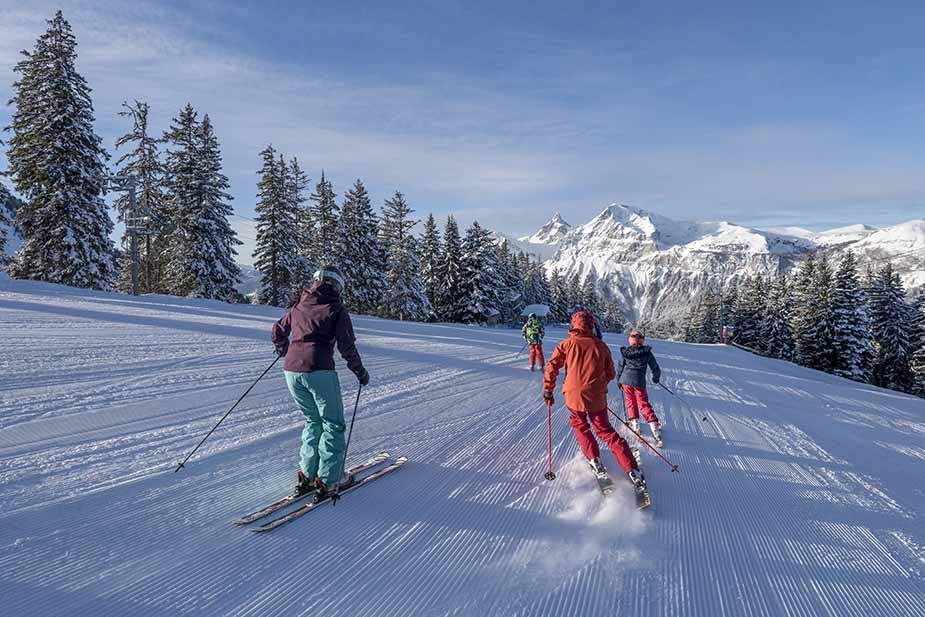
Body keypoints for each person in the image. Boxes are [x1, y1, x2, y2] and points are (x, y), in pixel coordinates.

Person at [271, 265, 370, 503]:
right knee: (333, 425)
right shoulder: (336, 308)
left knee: (313, 420)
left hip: (292, 372)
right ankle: (329, 480)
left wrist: (285, 350)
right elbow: (347, 346)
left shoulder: (299, 306)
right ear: (337, 286)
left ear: (315, 282)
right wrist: (359, 371)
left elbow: (277, 330)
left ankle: (307, 475)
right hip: (320, 371)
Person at [543, 311, 645, 489]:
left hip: (573, 396)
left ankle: (594, 460)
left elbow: (552, 367)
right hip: (596, 397)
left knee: (581, 426)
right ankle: (632, 470)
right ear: (592, 326)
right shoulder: (601, 346)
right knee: (606, 431)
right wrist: (599, 385)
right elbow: (611, 373)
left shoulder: (565, 345)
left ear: (574, 325)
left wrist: (548, 390)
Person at [618, 329, 662, 443]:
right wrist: (656, 378)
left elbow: (620, 367)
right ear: (642, 340)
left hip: (625, 381)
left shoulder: (626, 352)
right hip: (639, 382)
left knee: (630, 402)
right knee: (643, 404)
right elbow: (655, 367)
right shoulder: (647, 353)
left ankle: (635, 425)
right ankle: (654, 428)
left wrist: (619, 380)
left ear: (630, 340)